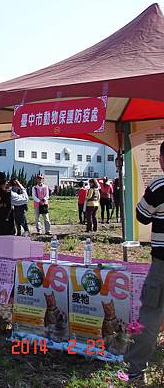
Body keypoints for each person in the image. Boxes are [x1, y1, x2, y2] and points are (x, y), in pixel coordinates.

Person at [124, 141, 164, 383]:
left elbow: (142, 215)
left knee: (150, 315)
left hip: (161, 263)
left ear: (162, 159)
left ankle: (136, 371)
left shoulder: (159, 185)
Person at [0, 172, 28, 255]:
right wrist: (21, 187)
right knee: (6, 259)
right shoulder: (9, 195)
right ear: (5, 182)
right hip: (6, 231)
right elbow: (25, 199)